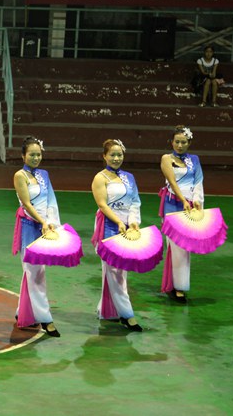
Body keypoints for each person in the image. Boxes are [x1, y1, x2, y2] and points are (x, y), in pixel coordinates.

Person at [91, 139, 144, 332]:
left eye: (119, 155)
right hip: (109, 226)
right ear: (104, 156)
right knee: (115, 272)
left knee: (119, 271)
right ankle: (127, 314)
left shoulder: (129, 177)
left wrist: (134, 221)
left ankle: (107, 310)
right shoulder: (100, 178)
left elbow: (135, 201)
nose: (116, 158)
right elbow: (102, 205)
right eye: (112, 155)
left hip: (126, 227)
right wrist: (119, 222)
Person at [12, 136, 61, 337]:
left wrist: (51, 222)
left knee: (35, 272)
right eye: (31, 154)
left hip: (44, 227)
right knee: (34, 273)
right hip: (30, 227)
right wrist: (42, 222)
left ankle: (23, 312)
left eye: (38, 154)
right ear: (23, 156)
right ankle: (45, 318)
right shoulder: (20, 175)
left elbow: (51, 200)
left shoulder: (44, 175)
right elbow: (26, 204)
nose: (35, 158)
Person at [159, 125, 203, 304]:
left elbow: (198, 182)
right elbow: (172, 182)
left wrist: (197, 200)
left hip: (189, 207)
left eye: (183, 142)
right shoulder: (166, 159)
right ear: (172, 142)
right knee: (176, 247)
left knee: (185, 249)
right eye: (177, 141)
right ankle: (178, 288)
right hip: (172, 205)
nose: (179, 145)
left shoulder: (194, 160)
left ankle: (178, 284)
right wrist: (184, 200)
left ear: (189, 143)